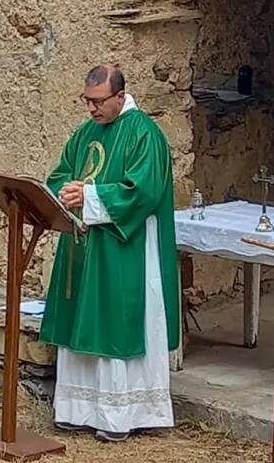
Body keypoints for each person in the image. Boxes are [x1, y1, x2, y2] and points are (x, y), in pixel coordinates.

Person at [39, 65, 179, 442]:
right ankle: (76, 408)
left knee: (117, 319)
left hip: (124, 248)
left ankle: (121, 414)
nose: (92, 109)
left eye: (99, 102)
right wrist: (66, 192)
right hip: (85, 247)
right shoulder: (86, 132)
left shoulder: (144, 134)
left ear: (120, 96)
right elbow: (61, 174)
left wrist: (91, 197)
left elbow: (144, 190)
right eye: (87, 101)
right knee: (83, 319)